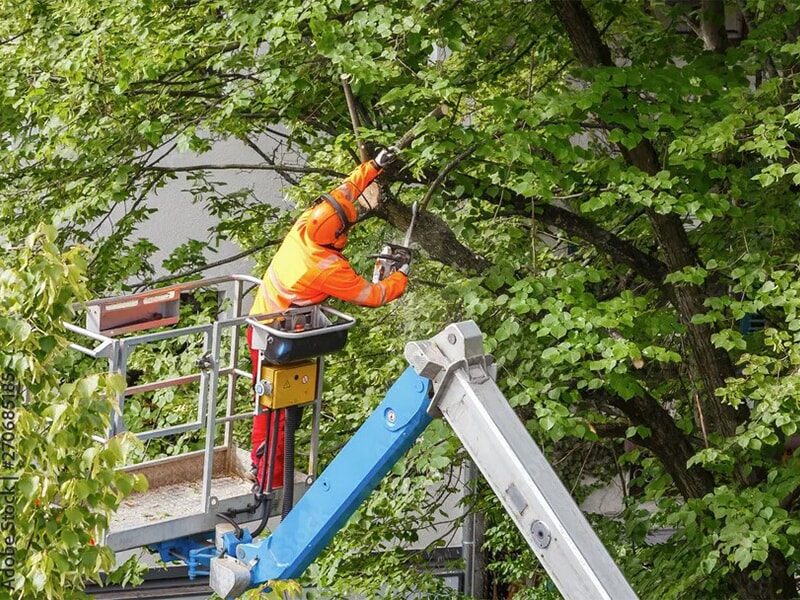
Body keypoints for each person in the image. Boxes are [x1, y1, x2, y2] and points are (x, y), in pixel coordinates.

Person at [247, 149, 409, 488]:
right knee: (281, 412)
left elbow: (345, 192)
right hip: (282, 339)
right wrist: (401, 277)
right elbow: (373, 296)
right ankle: (270, 480)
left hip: (263, 329)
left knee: (270, 405)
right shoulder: (327, 268)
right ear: (338, 234)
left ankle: (261, 468)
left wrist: (374, 166)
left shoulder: (306, 225)